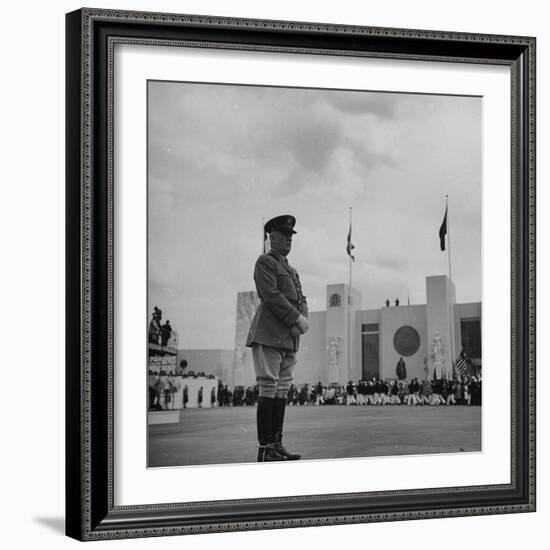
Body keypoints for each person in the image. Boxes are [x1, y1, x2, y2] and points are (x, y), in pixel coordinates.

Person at [246, 215, 308, 462]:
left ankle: (277, 444)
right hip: (270, 333)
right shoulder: (265, 262)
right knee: (269, 385)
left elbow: (301, 298)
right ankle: (266, 448)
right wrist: (296, 319)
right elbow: (270, 295)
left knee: (282, 387)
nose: (289, 239)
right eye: (284, 235)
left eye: (291, 235)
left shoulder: (292, 270)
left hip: (289, 336)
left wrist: (302, 319)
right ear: (272, 237)